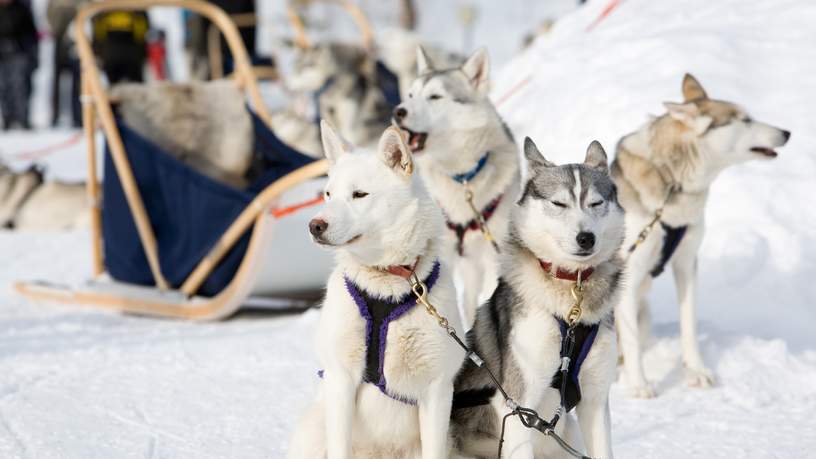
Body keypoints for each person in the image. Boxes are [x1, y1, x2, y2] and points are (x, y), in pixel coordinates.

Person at [0, 0, 38, 130]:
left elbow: (31, 33)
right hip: (2, 56)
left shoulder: (22, 9)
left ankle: (23, 119)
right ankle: (7, 119)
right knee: (3, 88)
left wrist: (29, 51)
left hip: (19, 53)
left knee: (21, 87)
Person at [92, 10, 149, 84]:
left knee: (131, 84)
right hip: (124, 55)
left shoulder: (102, 11)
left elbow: (98, 37)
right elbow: (143, 33)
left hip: (120, 55)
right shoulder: (137, 10)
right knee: (132, 84)